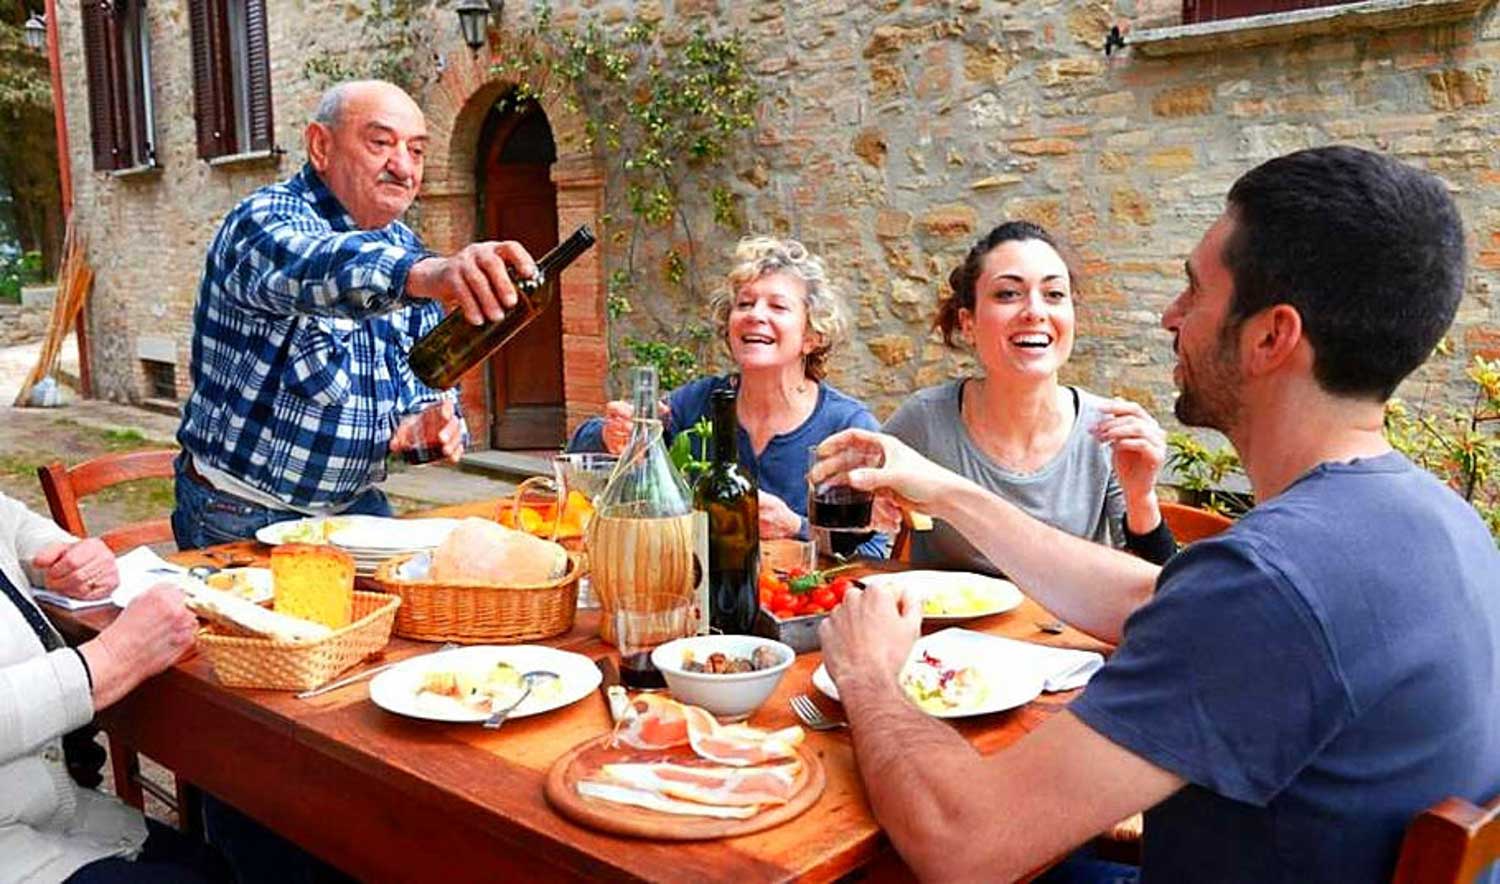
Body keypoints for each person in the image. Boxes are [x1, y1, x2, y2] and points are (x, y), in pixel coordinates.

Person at [811, 146, 1500, 882]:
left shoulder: (1269, 586)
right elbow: (1158, 598)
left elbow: (962, 844)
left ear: (1271, 337)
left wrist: (871, 676)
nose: (1171, 316)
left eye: (1193, 290)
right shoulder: (1439, 519)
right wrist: (945, 488)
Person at [173, 79, 538, 549]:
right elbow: (316, 265)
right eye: (381, 143)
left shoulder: (406, 252)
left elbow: (425, 393)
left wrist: (429, 427)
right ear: (320, 146)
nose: (403, 167)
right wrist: (427, 276)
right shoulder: (263, 222)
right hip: (241, 511)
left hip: (355, 508)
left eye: (417, 151)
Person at [883, 221, 1175, 571]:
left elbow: (1157, 587)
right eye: (1008, 294)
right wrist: (863, 504)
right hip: (944, 627)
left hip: (1066, 627)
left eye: (1053, 295)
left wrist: (1141, 497)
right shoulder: (926, 421)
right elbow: (843, 538)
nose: (1035, 311)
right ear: (968, 323)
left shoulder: (1107, 431)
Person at [569, 236, 885, 557]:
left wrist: (796, 527)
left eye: (777, 306)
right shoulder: (696, 404)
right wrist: (610, 436)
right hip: (704, 596)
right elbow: (578, 457)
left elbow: (877, 551)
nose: (755, 314)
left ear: (811, 337)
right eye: (745, 304)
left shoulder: (847, 425)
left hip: (803, 604)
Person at [0, 492, 214, 883]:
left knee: (228, 864)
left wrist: (65, 557)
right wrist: (112, 660)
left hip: (51, 808)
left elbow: (12, 522)